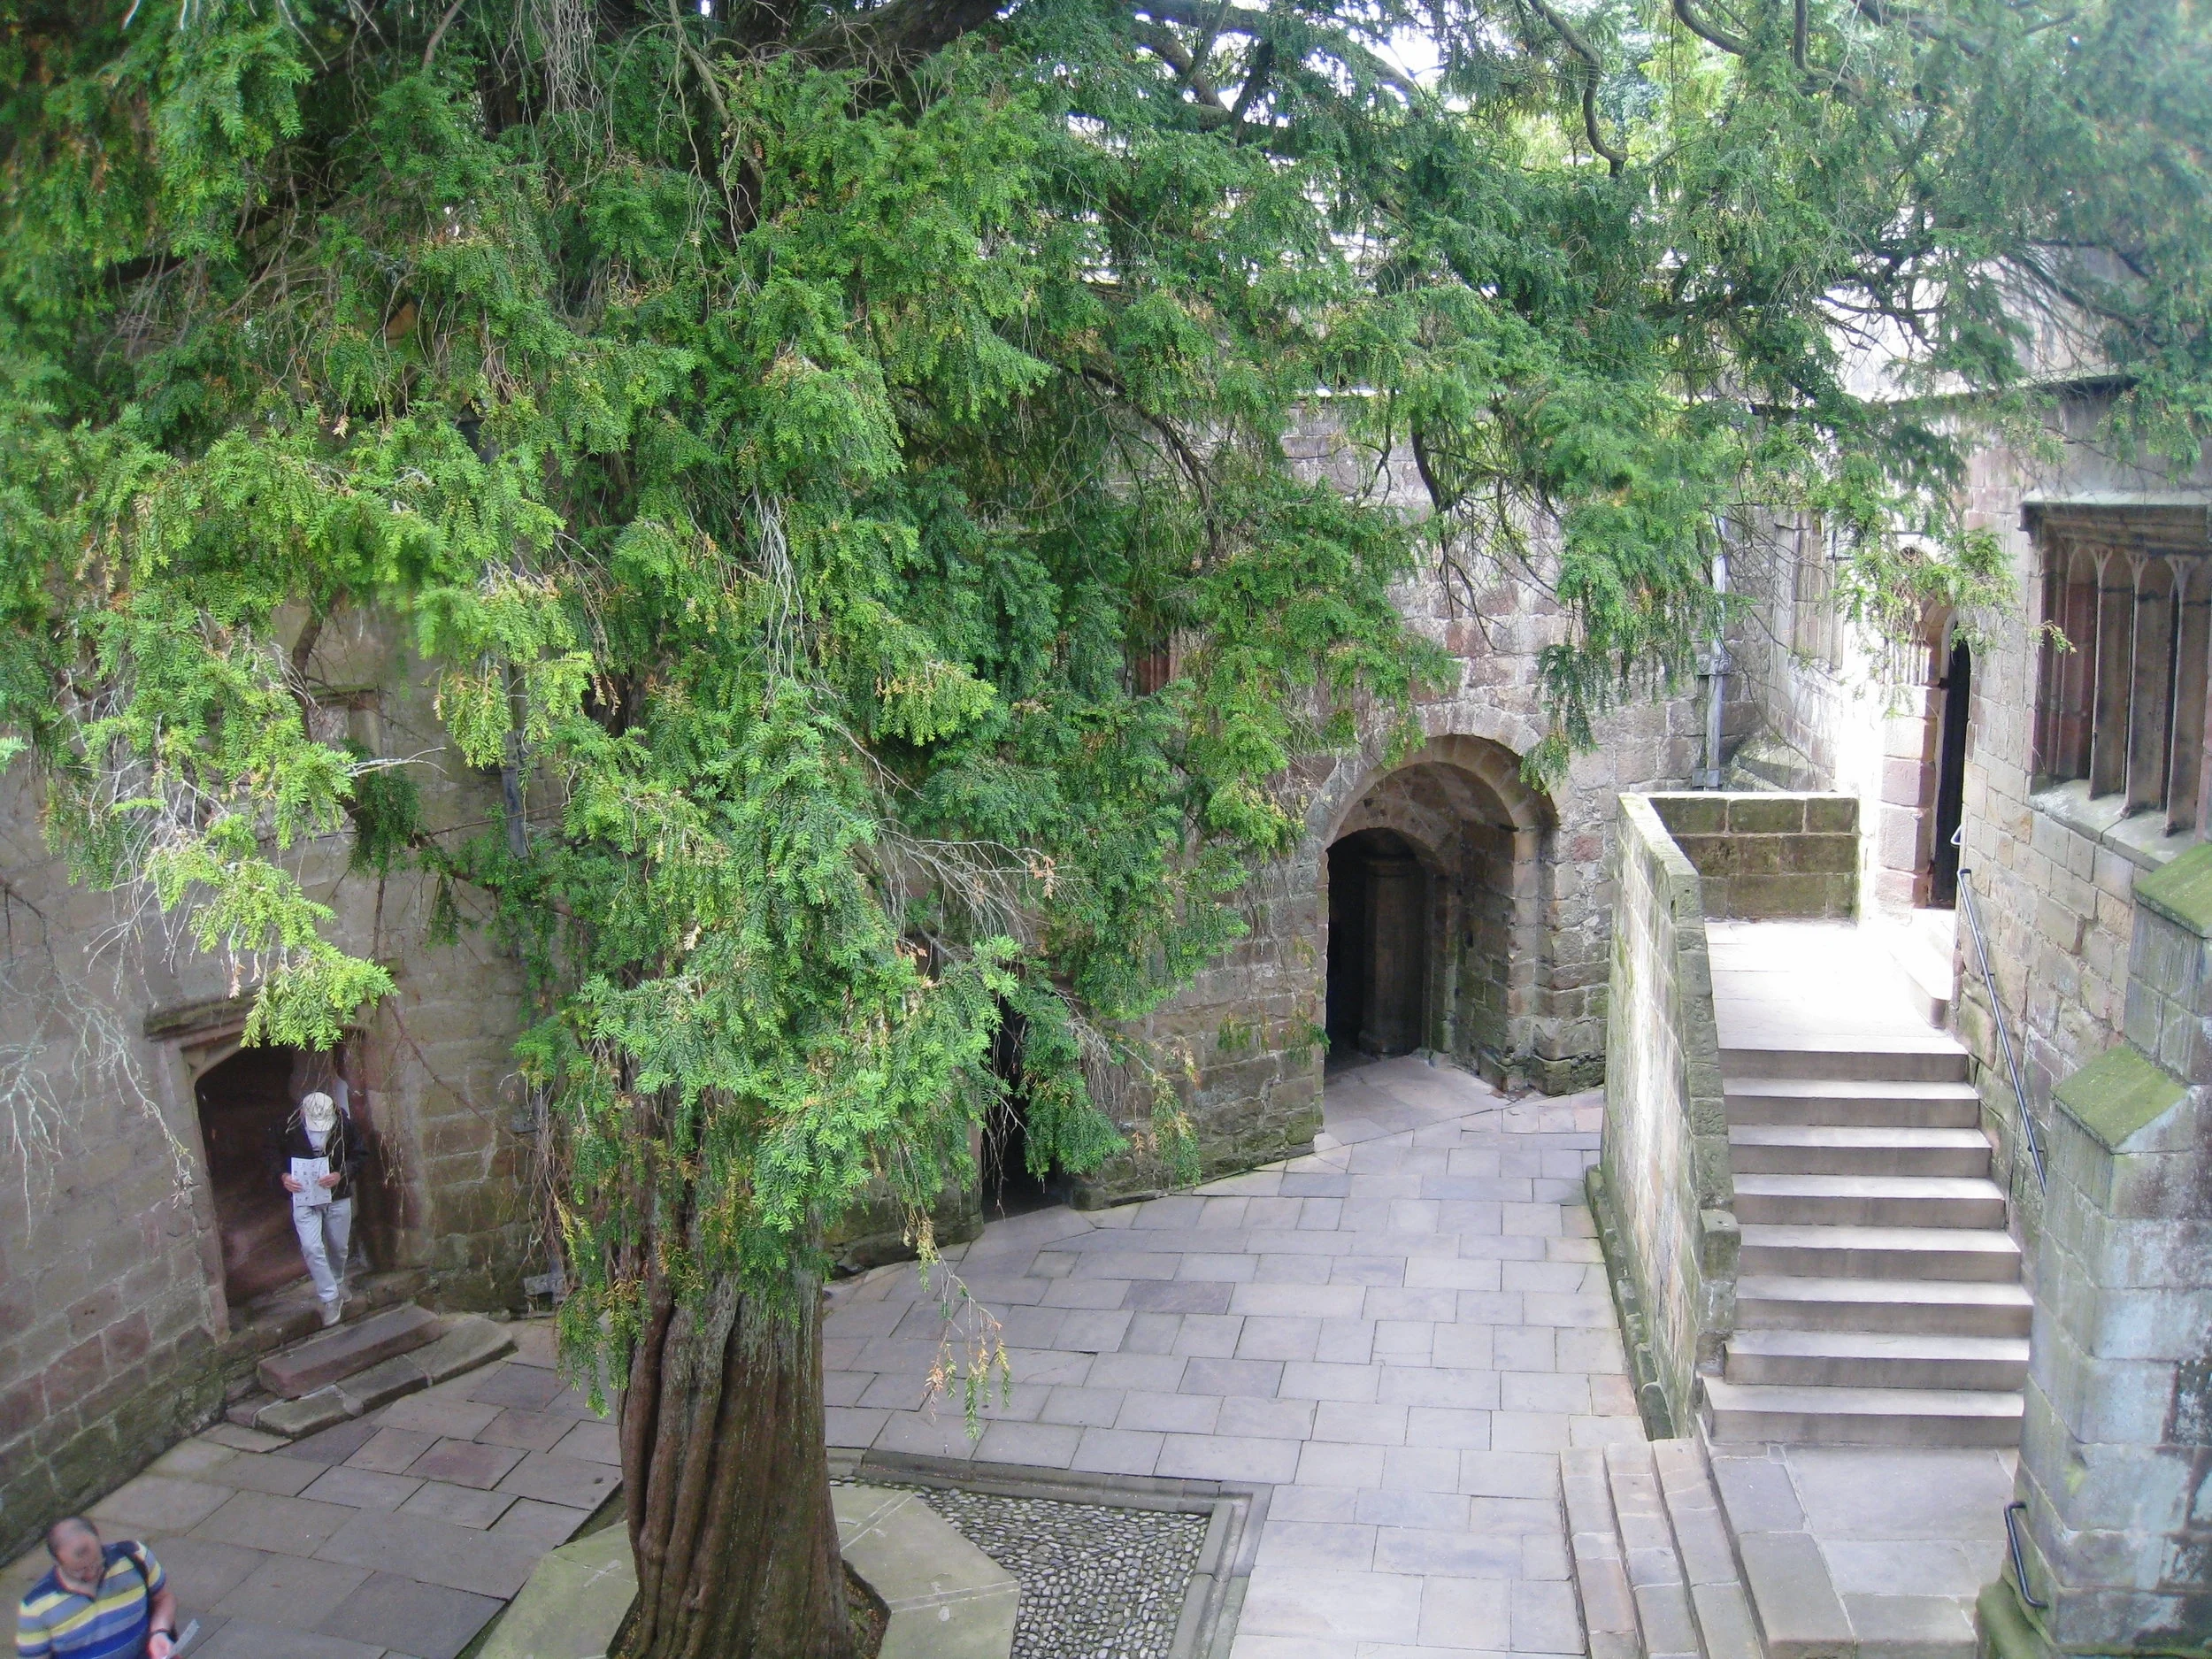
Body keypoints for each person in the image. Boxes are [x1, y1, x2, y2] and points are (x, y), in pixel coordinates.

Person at [14, 1517, 177, 1659]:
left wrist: (159, 1632)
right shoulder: (35, 1607)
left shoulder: (135, 1556)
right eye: (79, 1570)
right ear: (57, 1562)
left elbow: (163, 1598)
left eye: (96, 1563)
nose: (91, 1574)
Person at [279, 1087, 360, 1326]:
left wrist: (340, 1174)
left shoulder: (344, 1127)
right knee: (311, 1247)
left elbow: (360, 1155)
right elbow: (271, 1156)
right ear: (303, 1114)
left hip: (337, 1195)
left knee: (338, 1245)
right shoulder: (287, 1128)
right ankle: (330, 1297)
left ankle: (337, 1279)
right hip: (303, 1196)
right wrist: (283, 1177)